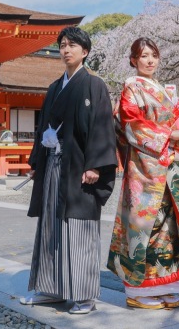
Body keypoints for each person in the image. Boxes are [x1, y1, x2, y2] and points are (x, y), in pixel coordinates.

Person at [21, 27, 118, 315]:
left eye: (72, 45)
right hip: (53, 164)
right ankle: (51, 289)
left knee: (78, 226)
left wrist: (96, 166)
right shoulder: (54, 87)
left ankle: (84, 294)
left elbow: (102, 127)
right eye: (62, 45)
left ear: (85, 52)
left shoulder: (93, 85)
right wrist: (38, 161)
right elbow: (42, 128)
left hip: (80, 168)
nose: (66, 50)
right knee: (51, 224)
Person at [107, 37, 179, 311]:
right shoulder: (132, 87)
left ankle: (167, 286)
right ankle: (139, 290)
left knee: (169, 228)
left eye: (153, 55)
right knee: (144, 228)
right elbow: (130, 125)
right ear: (133, 60)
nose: (149, 60)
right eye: (143, 56)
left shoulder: (169, 91)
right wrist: (169, 134)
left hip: (171, 167)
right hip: (145, 169)